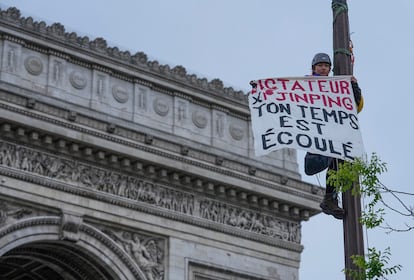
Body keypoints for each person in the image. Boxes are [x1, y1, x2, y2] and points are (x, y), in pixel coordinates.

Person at [310, 52, 364, 219]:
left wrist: (354, 86)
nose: (323, 68)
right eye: (320, 65)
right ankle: (330, 197)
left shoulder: (337, 85)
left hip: (336, 131)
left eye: (326, 66)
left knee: (339, 162)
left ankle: (330, 197)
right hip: (320, 130)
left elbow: (354, 104)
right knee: (333, 160)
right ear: (314, 68)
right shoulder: (307, 84)